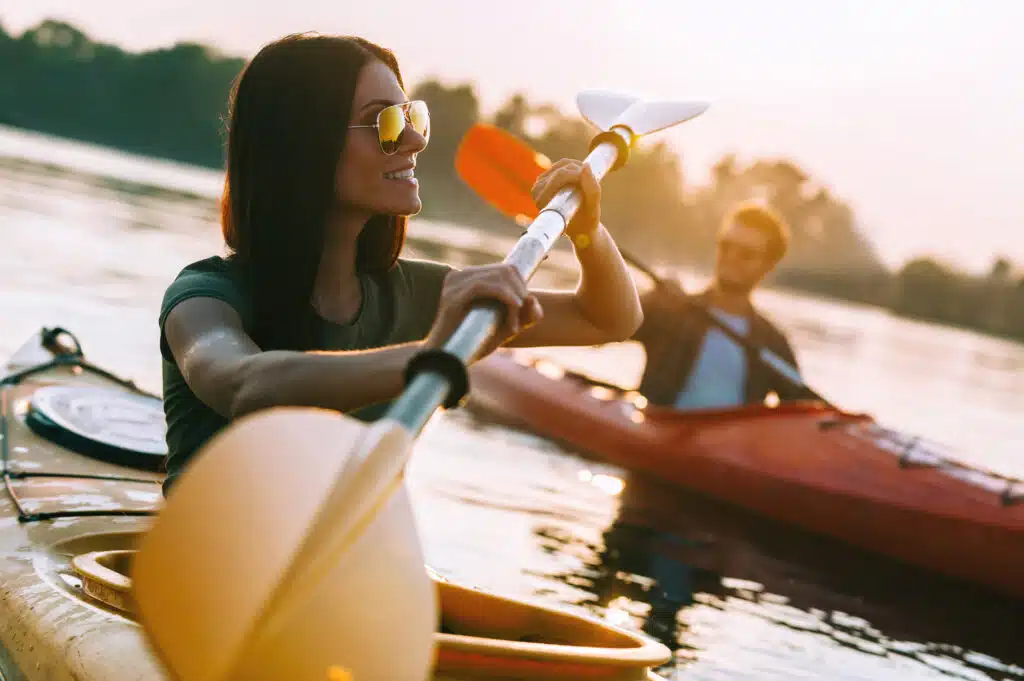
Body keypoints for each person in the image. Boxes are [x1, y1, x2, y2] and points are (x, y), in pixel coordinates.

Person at [157, 33, 642, 496]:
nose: (414, 140)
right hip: (201, 566)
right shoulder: (204, 299)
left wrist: (588, 231)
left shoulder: (415, 295)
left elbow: (609, 317)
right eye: (384, 123)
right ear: (304, 143)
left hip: (344, 572)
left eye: (411, 117)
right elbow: (244, 385)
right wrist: (433, 353)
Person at [632, 200, 806, 411]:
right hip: (655, 435)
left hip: (729, 444)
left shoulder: (773, 343)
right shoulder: (672, 309)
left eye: (746, 254)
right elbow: (601, 325)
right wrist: (649, 298)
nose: (731, 258)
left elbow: (800, 411)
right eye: (726, 246)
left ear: (768, 266)